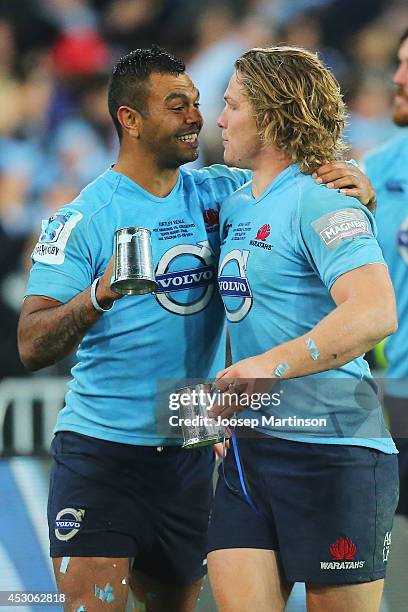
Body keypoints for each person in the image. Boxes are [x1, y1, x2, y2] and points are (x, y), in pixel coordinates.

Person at [17, 46, 253, 612]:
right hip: (102, 457)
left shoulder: (223, 194)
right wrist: (100, 294)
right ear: (130, 119)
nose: (196, 117)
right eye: (177, 106)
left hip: (191, 449)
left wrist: (351, 189)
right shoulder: (84, 218)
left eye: (198, 103)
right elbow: (30, 343)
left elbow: (297, 198)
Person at [206, 46, 399, 612]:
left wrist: (269, 365)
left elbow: (374, 312)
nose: (218, 118)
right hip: (247, 452)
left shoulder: (324, 201)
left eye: (231, 104)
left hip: (333, 450)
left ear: (268, 115)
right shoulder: (235, 204)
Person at [314, 29, 408, 520]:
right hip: (394, 394)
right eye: (398, 62)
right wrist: (365, 208)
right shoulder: (378, 169)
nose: (397, 78)